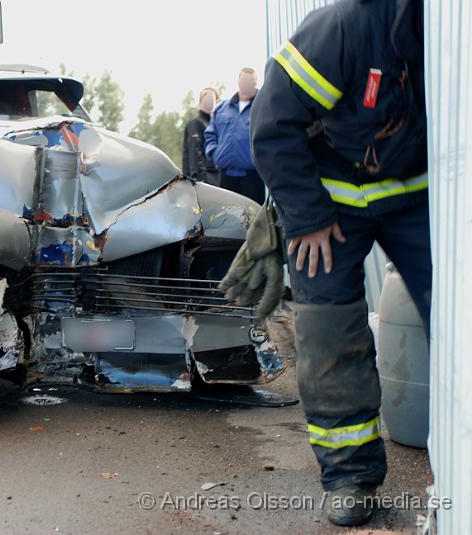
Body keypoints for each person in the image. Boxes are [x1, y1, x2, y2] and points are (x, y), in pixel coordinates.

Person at [250, 0, 428, 526]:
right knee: (329, 330)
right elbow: (272, 123)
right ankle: (351, 476)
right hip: (330, 201)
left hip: (416, 198)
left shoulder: (447, 32)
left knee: (458, 317)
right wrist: (305, 216)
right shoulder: (345, 28)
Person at [204, 68, 265, 204]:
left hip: (253, 177)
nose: (248, 84)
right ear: (239, 81)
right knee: (226, 215)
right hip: (226, 175)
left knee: (253, 218)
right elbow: (210, 134)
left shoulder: (263, 107)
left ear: (256, 83)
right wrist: (214, 153)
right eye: (245, 80)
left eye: (252, 82)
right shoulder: (222, 108)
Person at [182, 88, 220, 186]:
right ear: (200, 102)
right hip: (204, 180)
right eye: (207, 98)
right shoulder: (196, 123)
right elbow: (195, 154)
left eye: (212, 99)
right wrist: (201, 181)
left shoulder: (215, 126)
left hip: (216, 178)